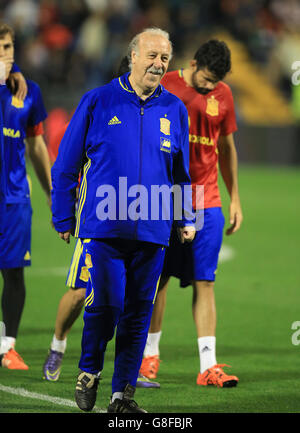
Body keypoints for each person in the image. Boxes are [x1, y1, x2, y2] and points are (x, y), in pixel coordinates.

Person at [51, 27, 195, 413]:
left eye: (164, 58)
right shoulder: (98, 101)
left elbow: (181, 173)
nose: (158, 64)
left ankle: (122, 396)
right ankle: (88, 371)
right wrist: (63, 214)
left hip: (153, 229)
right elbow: (67, 163)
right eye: (151, 56)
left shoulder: (176, 110)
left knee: (138, 315)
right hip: (105, 226)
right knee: (107, 306)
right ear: (133, 56)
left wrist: (185, 216)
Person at [139, 39, 243, 388]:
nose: (211, 87)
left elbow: (226, 147)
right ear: (194, 63)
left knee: (206, 280)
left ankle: (208, 366)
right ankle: (149, 356)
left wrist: (235, 199)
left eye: (217, 81)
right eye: (208, 79)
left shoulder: (224, 96)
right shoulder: (166, 85)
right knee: (159, 277)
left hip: (207, 198)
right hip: (168, 197)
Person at [0, 23, 52, 370]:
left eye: (7, 47)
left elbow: (35, 145)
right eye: (0, 47)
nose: (5, 54)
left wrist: (53, 193)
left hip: (14, 197)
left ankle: (8, 346)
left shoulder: (28, 91)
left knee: (14, 272)